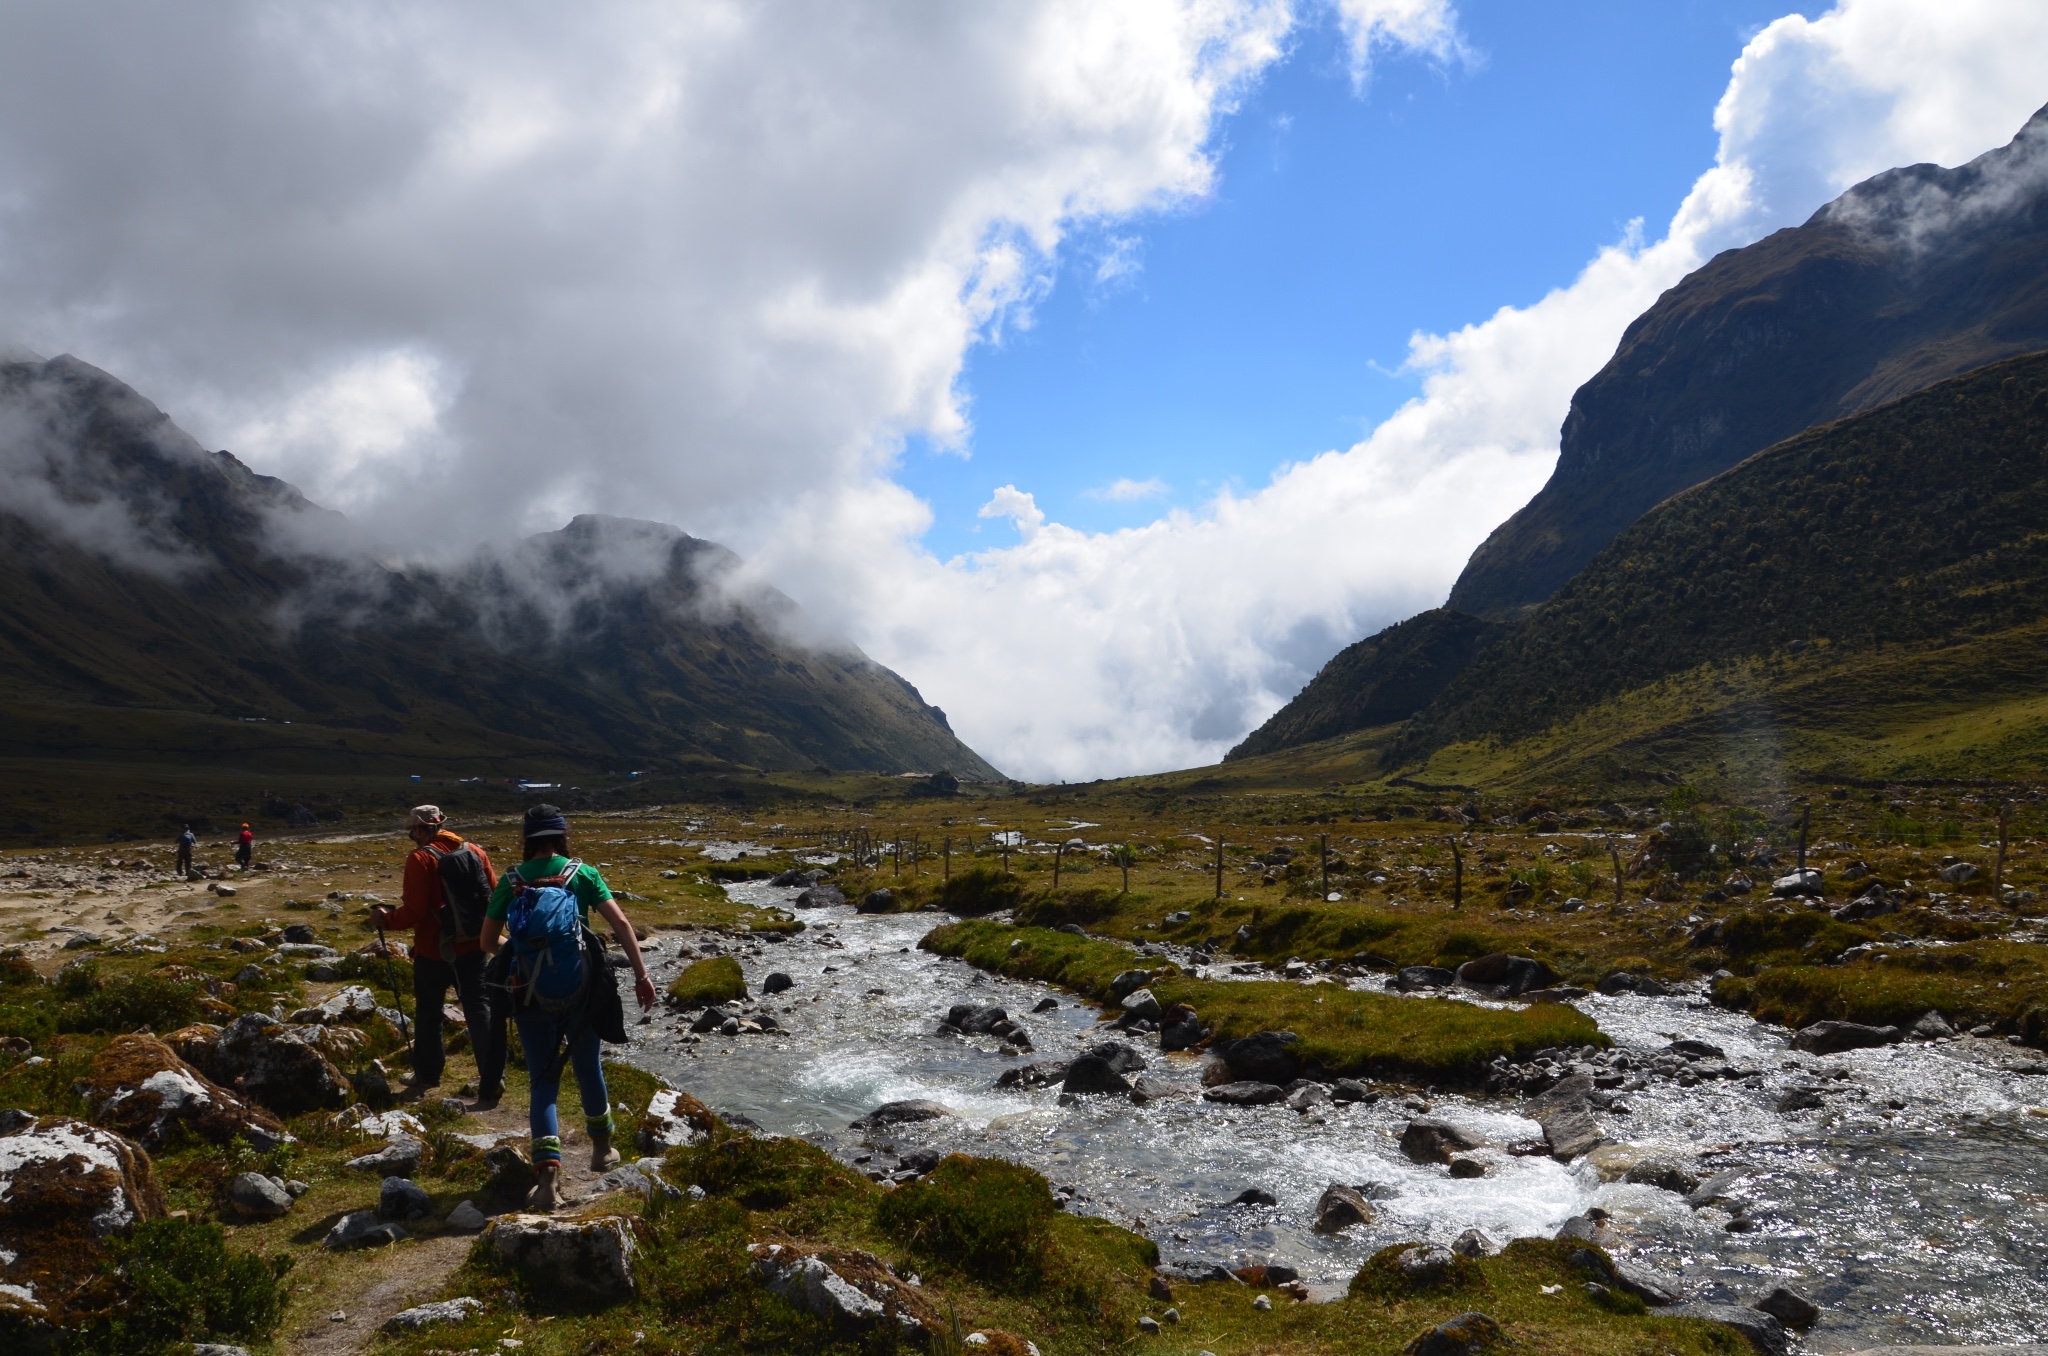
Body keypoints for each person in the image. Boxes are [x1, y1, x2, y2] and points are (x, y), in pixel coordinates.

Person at [480, 804, 655, 1210]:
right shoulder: (582, 873)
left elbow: (487, 943)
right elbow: (622, 926)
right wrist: (642, 976)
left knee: (543, 1082)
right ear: (562, 835)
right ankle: (602, 1150)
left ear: (527, 839)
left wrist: (522, 951)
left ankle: (547, 1180)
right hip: (581, 990)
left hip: (529, 993)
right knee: (587, 1065)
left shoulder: (511, 879)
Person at [370, 807, 503, 1101]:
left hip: (433, 949)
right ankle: (493, 1075)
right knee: (479, 1008)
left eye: (412, 831)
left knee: (429, 1011)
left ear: (419, 829)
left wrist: (386, 919)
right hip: (474, 945)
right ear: (441, 824)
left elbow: (415, 910)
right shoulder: (474, 851)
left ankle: (428, 1074)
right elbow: (495, 894)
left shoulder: (420, 859)